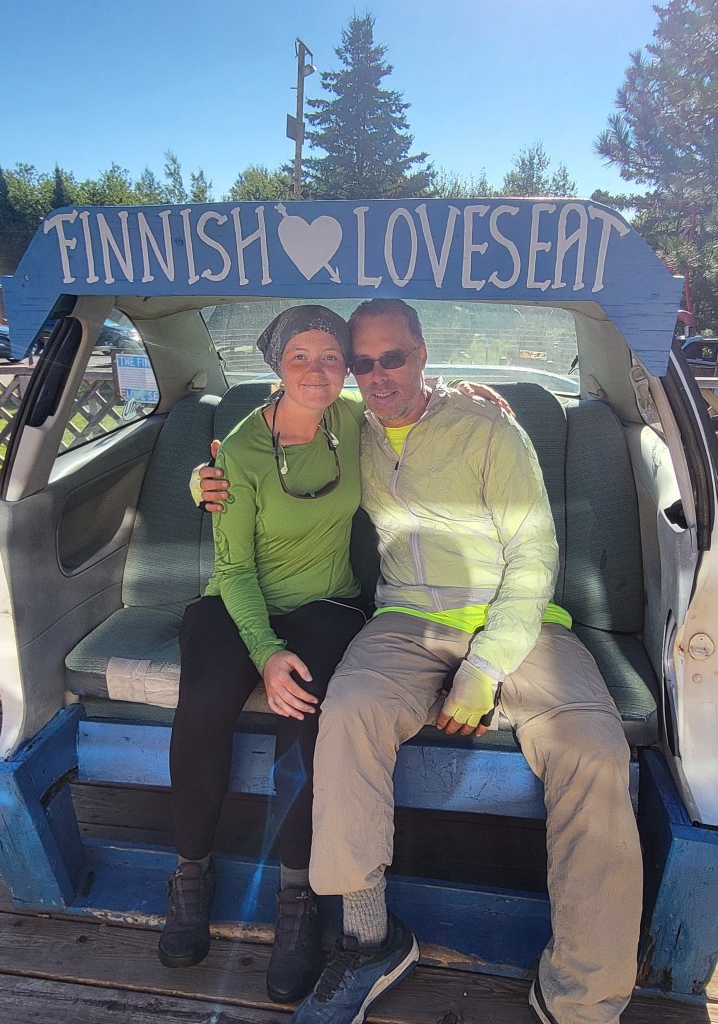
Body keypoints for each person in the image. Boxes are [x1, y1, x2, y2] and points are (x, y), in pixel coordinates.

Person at [196, 298, 643, 1024]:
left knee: (593, 751)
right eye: (362, 364)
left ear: (423, 353)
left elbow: (534, 554)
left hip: (515, 621)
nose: (378, 376)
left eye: (393, 358)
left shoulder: (488, 428)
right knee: (347, 713)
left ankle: (584, 997)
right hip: (406, 619)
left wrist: (486, 666)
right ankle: (369, 937)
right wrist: (204, 481)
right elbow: (266, 449)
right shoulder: (351, 430)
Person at [159, 305, 370, 1007]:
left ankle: (295, 895)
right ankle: (191, 873)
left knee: (302, 715)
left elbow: (413, 402)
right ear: (277, 364)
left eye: (331, 356)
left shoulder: (355, 421)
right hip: (240, 600)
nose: (317, 370)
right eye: (300, 356)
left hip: (327, 603)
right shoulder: (242, 450)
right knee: (203, 702)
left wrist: (470, 395)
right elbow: (236, 571)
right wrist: (266, 651)